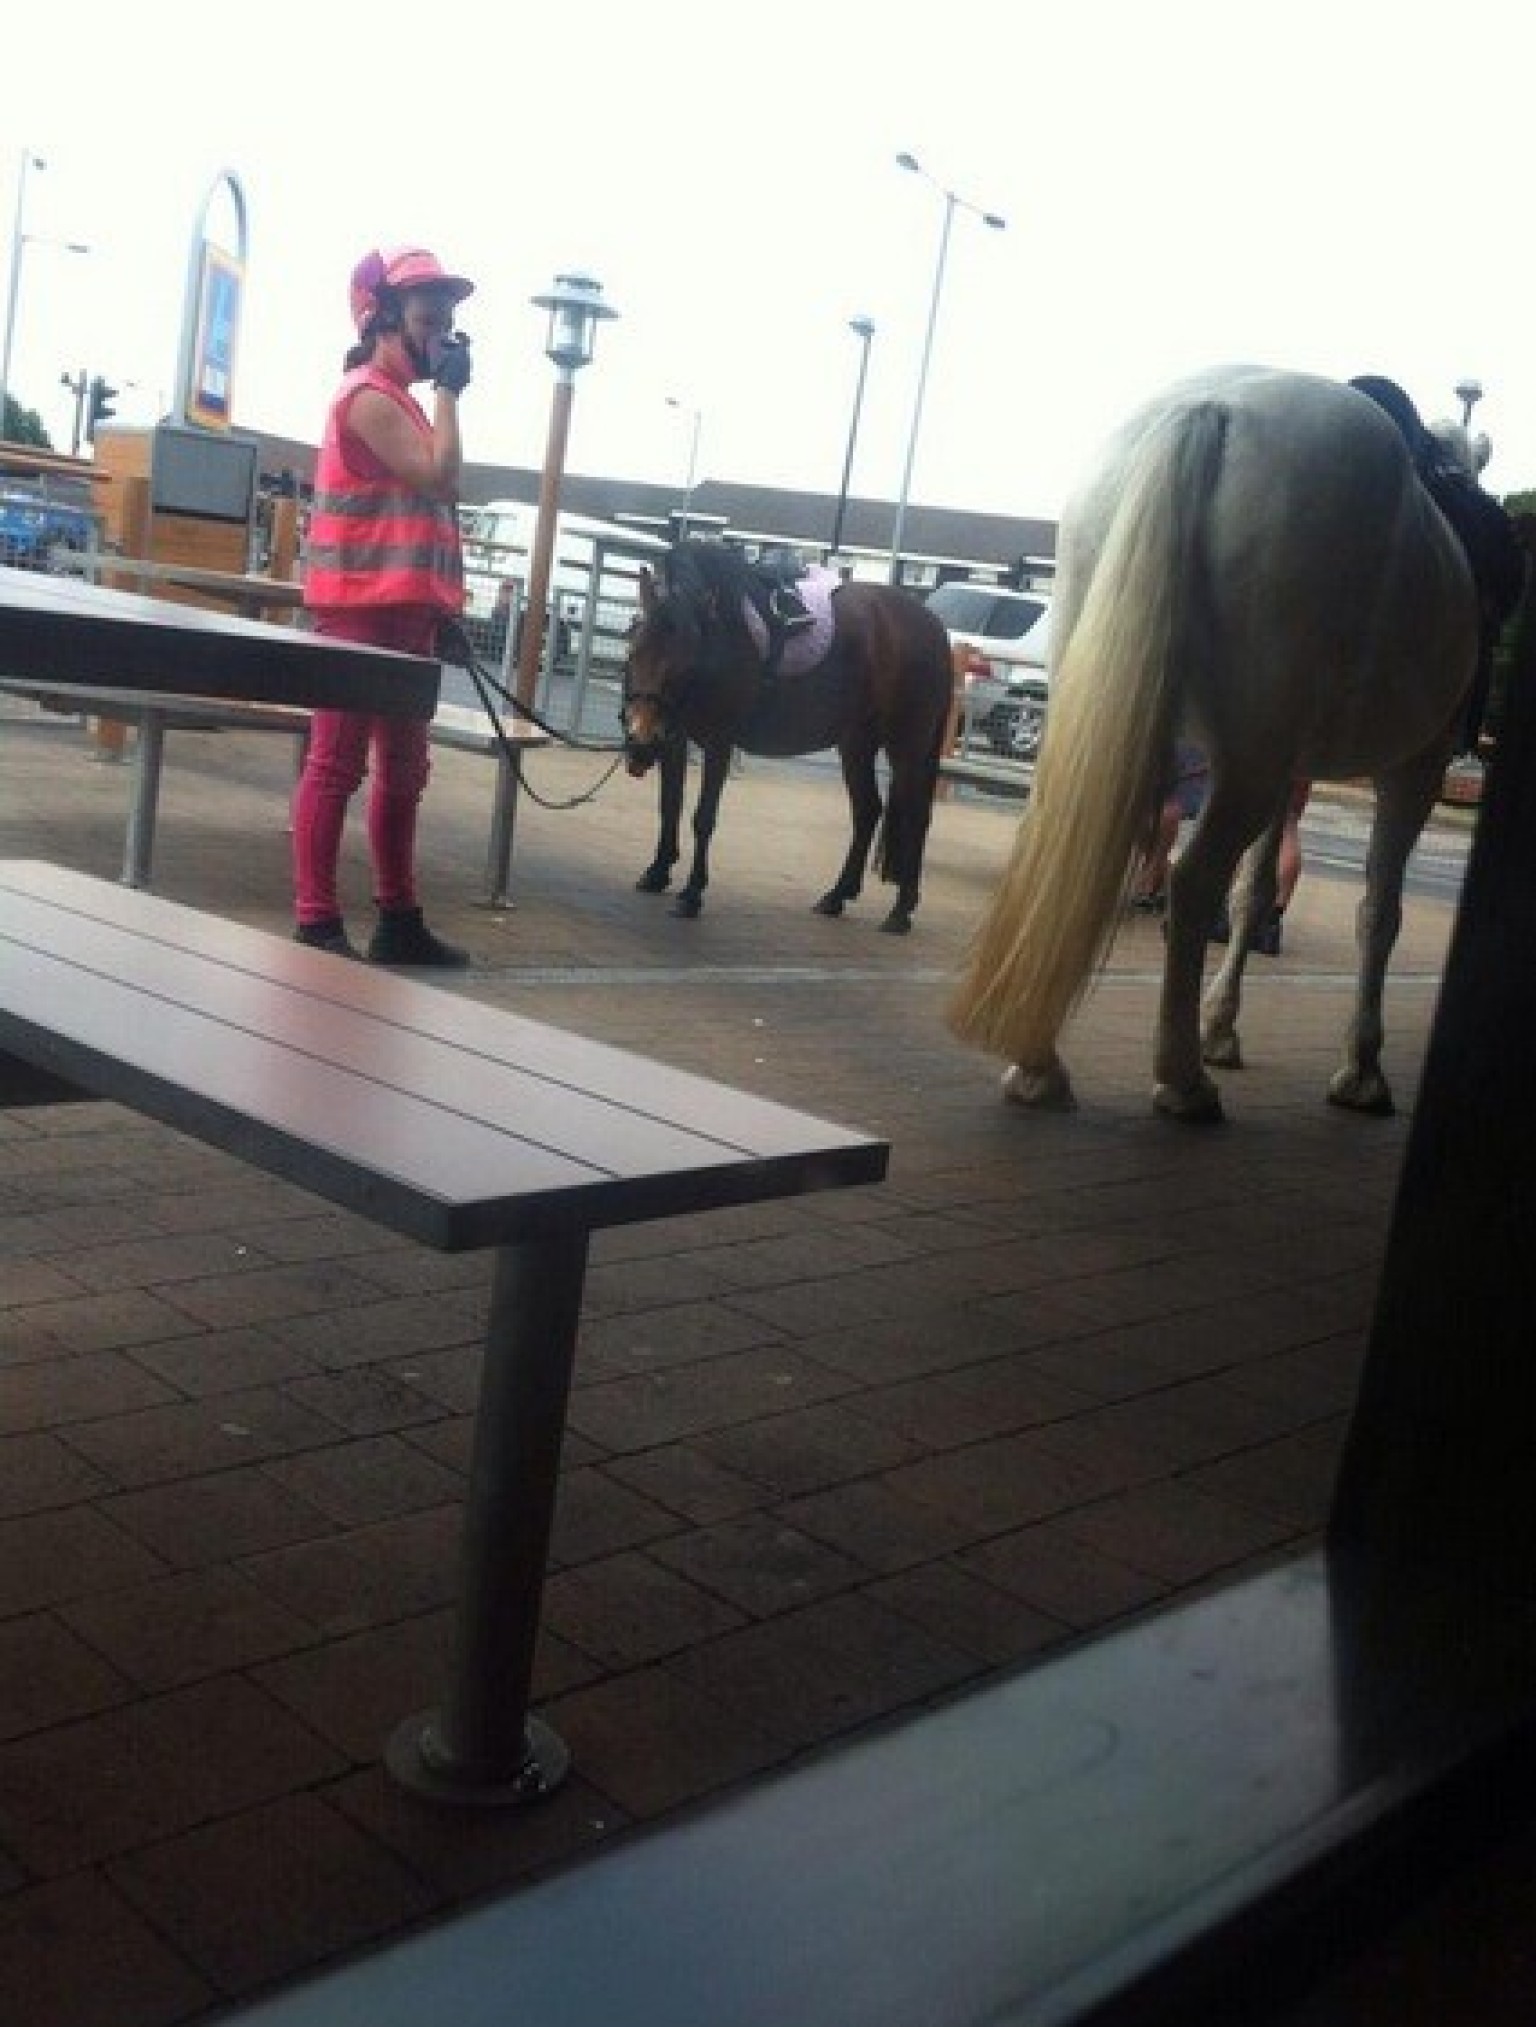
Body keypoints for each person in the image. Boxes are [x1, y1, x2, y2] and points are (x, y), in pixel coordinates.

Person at [291, 245, 477, 964]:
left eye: (449, 321)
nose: (444, 336)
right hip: (360, 614)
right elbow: (439, 475)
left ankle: (397, 920)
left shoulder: (400, 401)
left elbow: (438, 492)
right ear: (382, 318)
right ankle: (316, 922)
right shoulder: (367, 396)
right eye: (431, 319)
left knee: (404, 770)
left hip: (404, 615)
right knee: (336, 764)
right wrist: (452, 396)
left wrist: (443, 609)